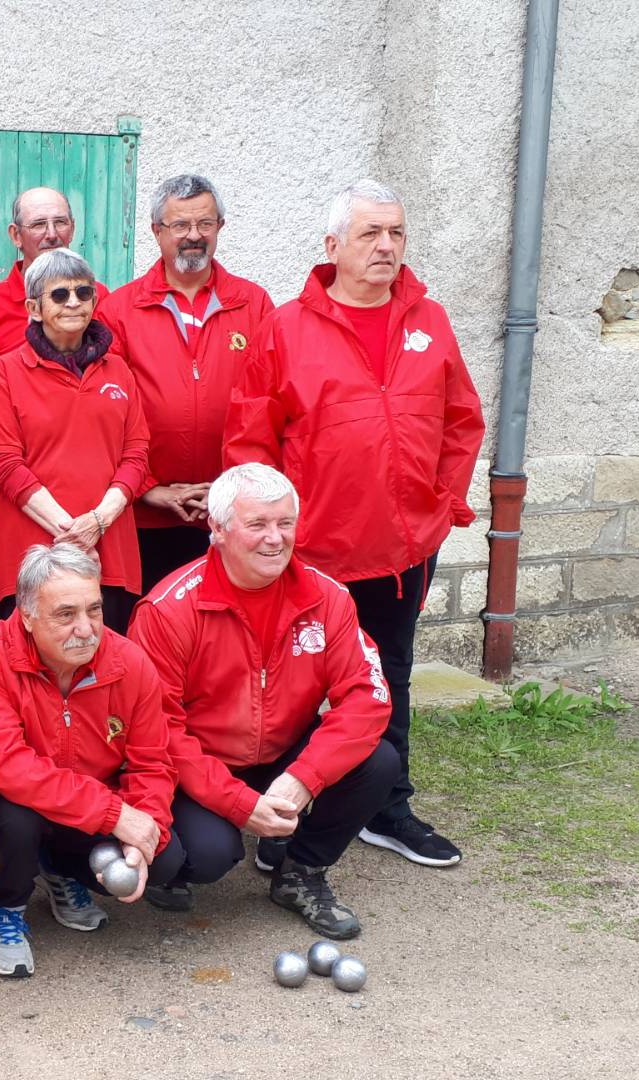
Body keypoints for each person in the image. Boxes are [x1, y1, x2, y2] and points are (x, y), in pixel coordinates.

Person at [225, 179, 485, 870]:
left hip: (402, 552)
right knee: (300, 682)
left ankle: (388, 806)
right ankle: (292, 808)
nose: (386, 246)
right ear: (333, 245)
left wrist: (443, 502)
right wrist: (262, 539)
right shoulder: (286, 328)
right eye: (371, 234)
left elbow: (462, 420)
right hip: (313, 554)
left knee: (388, 675)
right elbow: (250, 441)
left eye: (396, 233)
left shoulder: (429, 319)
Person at [130, 464, 398, 939]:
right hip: (198, 766)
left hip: (281, 753)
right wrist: (236, 804)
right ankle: (175, 869)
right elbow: (156, 729)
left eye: (285, 523)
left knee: (378, 762)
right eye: (257, 524)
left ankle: (300, 873)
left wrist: (303, 779)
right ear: (217, 529)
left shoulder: (328, 598)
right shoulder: (168, 610)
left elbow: (367, 698)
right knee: (208, 855)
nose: (275, 539)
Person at [0, 544, 179, 978]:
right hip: (20, 803)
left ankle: (61, 872)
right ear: (26, 615)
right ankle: (4, 906)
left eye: (94, 610)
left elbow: (152, 761)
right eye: (66, 615)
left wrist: (145, 824)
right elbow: (5, 764)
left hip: (87, 806)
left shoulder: (130, 662)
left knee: (165, 860)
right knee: (14, 818)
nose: (86, 629)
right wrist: (115, 814)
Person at [95, 174, 275, 593]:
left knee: (222, 639)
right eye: (180, 225)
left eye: (205, 224)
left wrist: (235, 486)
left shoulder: (254, 304)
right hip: (143, 516)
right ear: (157, 231)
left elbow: (269, 405)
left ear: (220, 227)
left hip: (231, 513)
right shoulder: (119, 310)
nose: (193, 236)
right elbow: (106, 416)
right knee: (145, 633)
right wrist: (149, 490)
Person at [0, 248, 150, 633]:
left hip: (110, 557)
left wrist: (98, 522)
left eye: (83, 293)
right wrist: (73, 536)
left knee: (103, 678)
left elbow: (137, 455)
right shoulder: (4, 373)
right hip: (29, 556)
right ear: (34, 307)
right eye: (59, 294)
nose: (74, 302)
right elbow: (5, 463)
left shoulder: (119, 371)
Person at [0, 187, 109, 359]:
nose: (51, 234)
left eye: (60, 222)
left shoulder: (94, 295)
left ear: (72, 229)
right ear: (16, 235)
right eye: (38, 224)